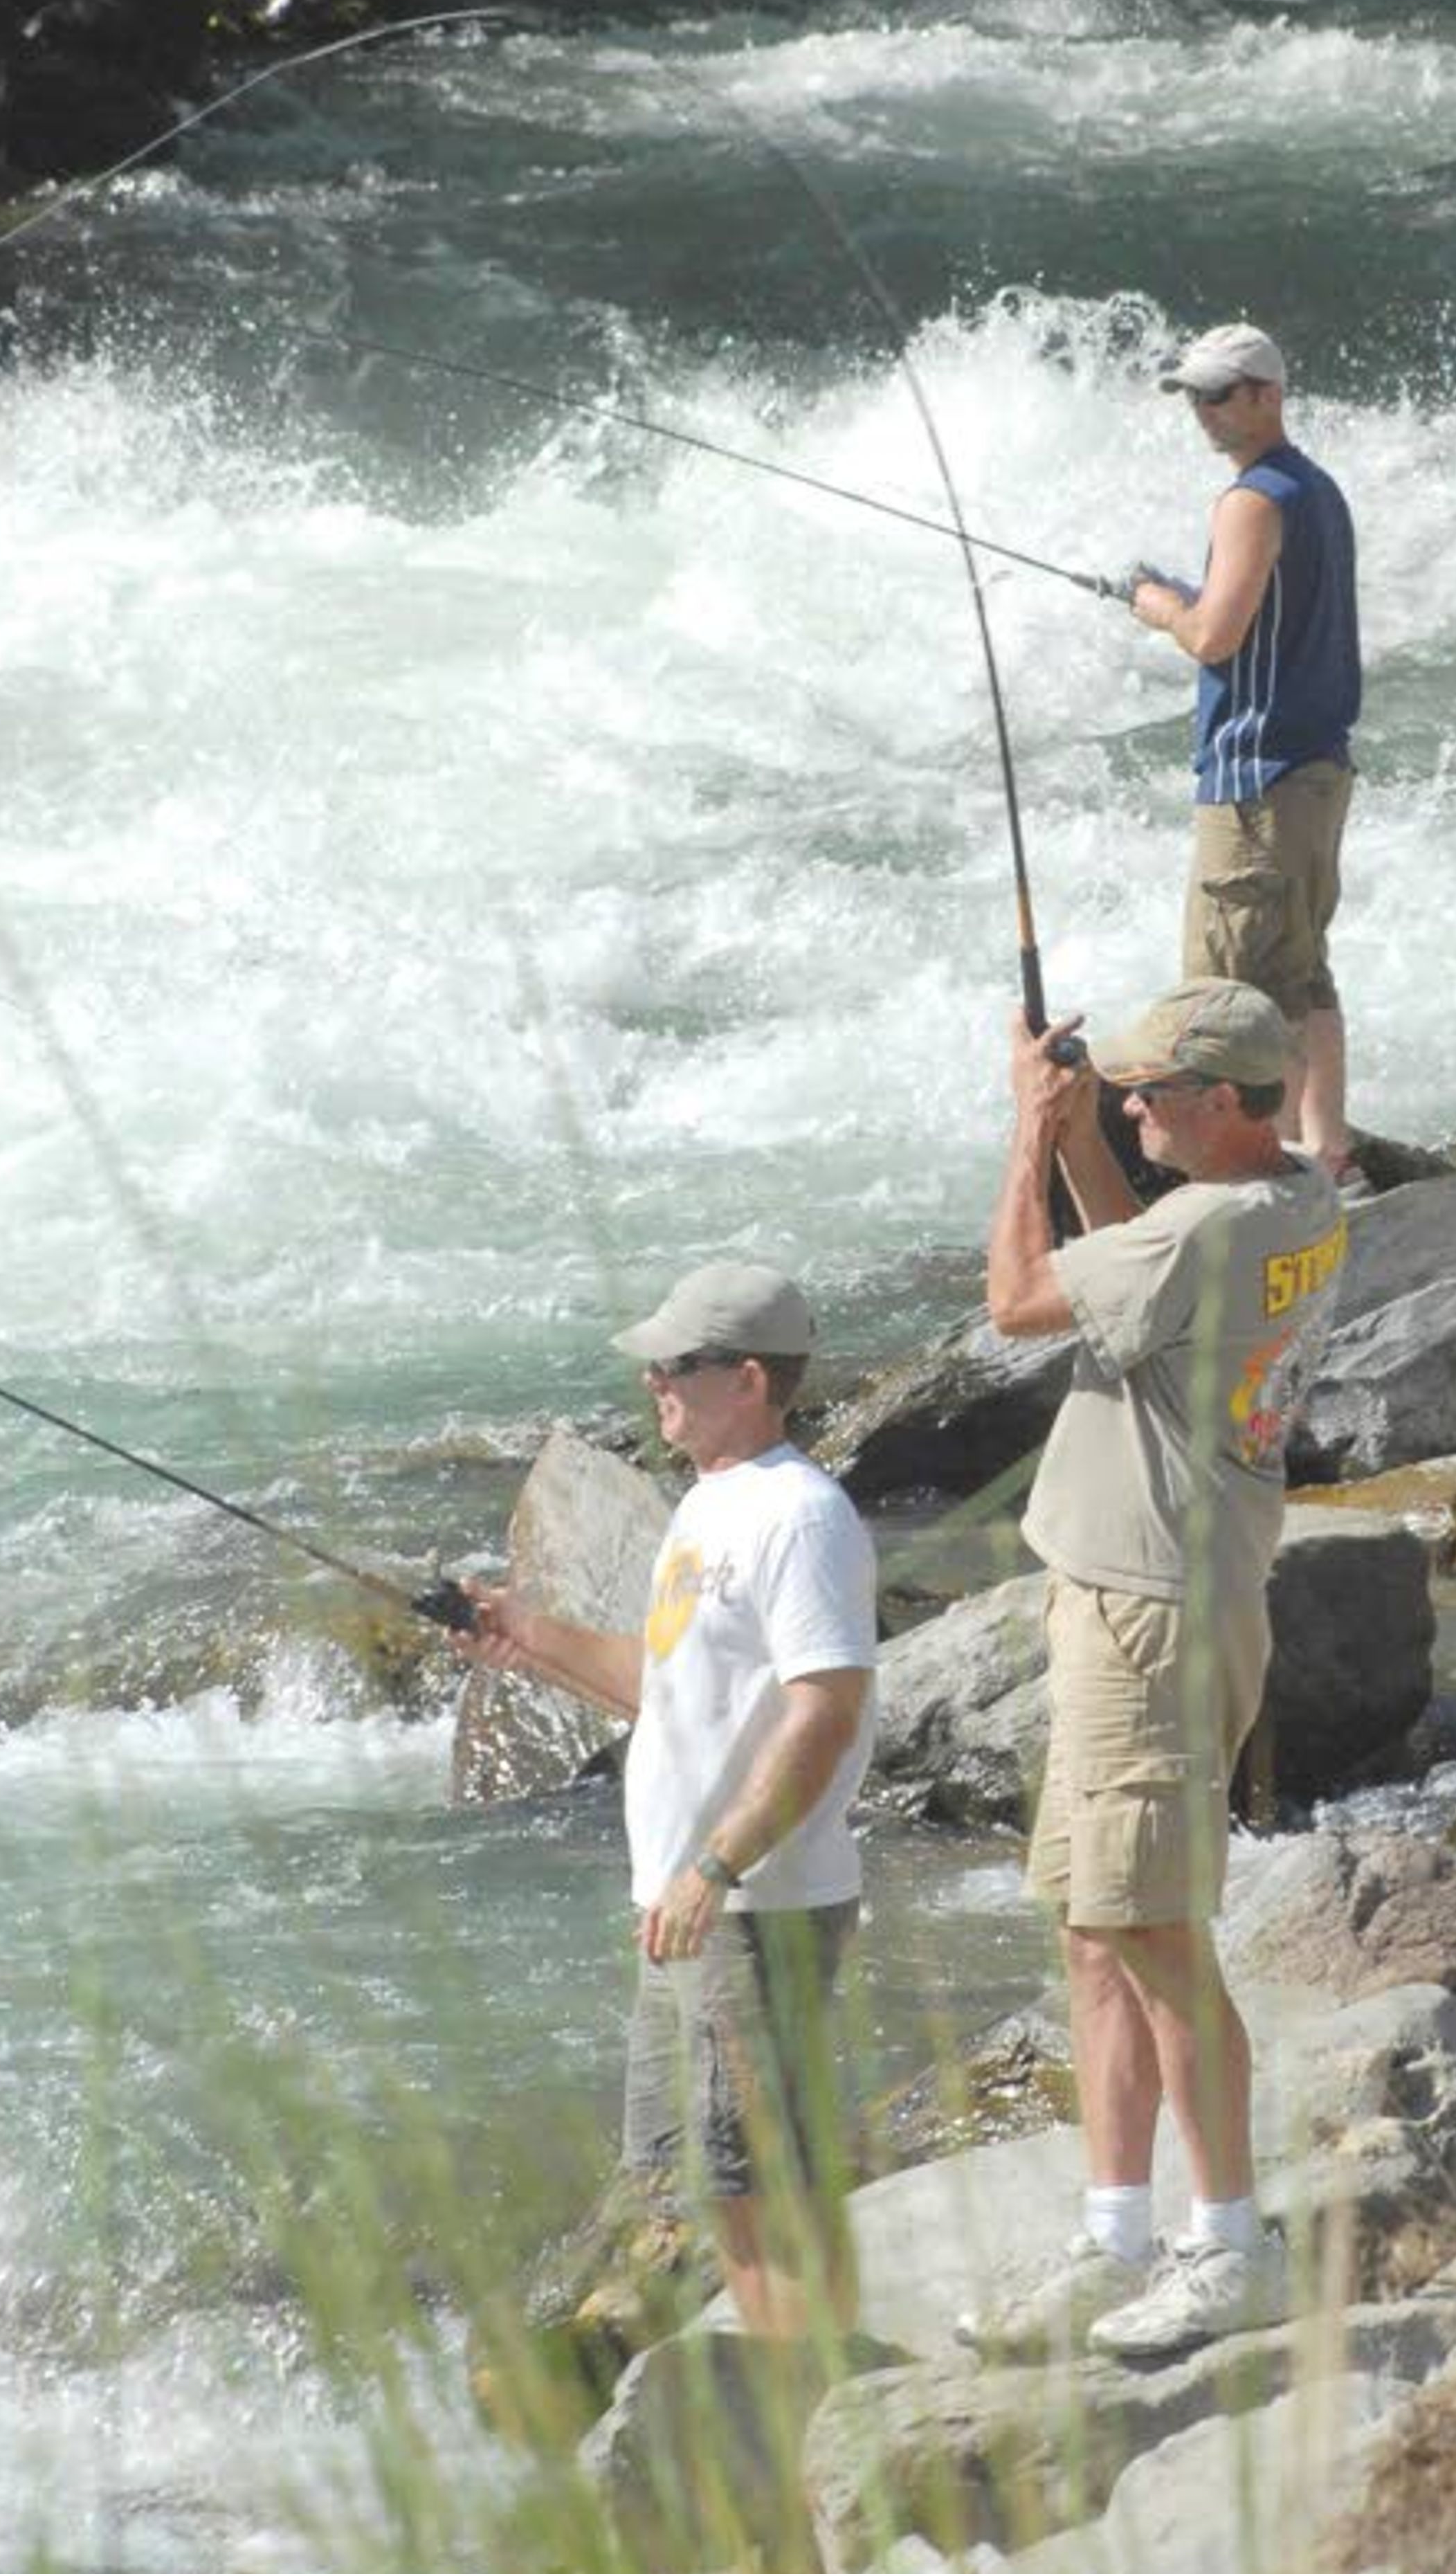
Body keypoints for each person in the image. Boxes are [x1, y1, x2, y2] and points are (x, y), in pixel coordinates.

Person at [968, 979, 1348, 2364]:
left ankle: (1227, 2241)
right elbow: (1136, 1275)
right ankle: (1116, 2229)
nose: (1130, 1110)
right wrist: (1083, 1138)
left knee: (1157, 1931)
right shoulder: (1292, 1200)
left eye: (1150, 1096)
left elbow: (1022, 1299)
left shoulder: (1211, 1223)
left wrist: (1027, 1133)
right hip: (1154, 1596)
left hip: (1151, 1617)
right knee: (1094, 1922)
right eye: (1118, 1093)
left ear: (1227, 1102)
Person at [466, 1259, 877, 2344]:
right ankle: (806, 2391)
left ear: (747, 1379)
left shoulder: (801, 1515)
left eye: (673, 1368)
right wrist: (525, 1633)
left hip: (753, 1905)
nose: (652, 1385)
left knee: (757, 2179)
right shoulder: (707, 1506)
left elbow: (827, 1706)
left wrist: (718, 1863)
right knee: (707, 2174)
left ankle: (821, 2419)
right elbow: (662, 1692)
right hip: (691, 1904)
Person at [1127, 323, 1363, 1186]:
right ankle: (1324, 1147)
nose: (1204, 411)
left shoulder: (1251, 499)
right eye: (1195, 395)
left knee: (1232, 997)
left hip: (1255, 784)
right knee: (1303, 973)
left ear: (1269, 392)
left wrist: (1156, 605)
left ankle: (1260, 1181)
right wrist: (1188, 599)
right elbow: (1265, 621)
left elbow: (1217, 637)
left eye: (1221, 393)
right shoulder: (1316, 490)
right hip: (1316, 772)